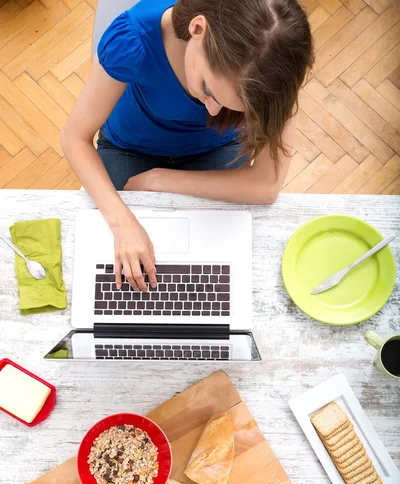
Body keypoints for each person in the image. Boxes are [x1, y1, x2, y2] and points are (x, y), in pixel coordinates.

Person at [61, 0, 314, 292]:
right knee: (120, 275)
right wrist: (122, 223)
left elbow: (267, 185)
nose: (213, 112)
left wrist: (160, 179)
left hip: (215, 151)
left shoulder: (277, 58)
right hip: (130, 147)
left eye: (235, 106)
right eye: (208, 90)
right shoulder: (134, 39)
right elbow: (74, 137)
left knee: (213, 277)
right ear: (197, 29)